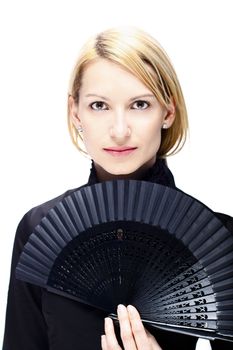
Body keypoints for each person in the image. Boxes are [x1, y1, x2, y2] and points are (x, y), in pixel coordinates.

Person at [2, 26, 233, 350]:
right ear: (75, 112)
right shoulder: (38, 230)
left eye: (140, 104)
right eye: (99, 105)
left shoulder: (214, 238)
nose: (120, 130)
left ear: (168, 111)